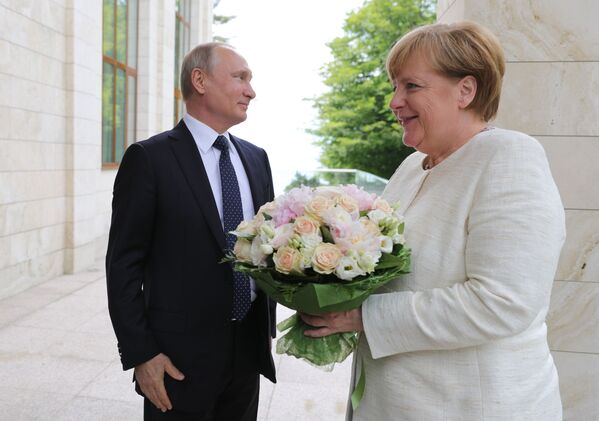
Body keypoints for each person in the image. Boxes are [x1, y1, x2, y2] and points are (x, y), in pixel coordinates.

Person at [301, 21, 565, 420]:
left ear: (466, 90)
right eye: (394, 86)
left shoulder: (510, 157)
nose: (394, 101)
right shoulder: (411, 167)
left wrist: (362, 316)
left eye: (411, 86)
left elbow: (503, 302)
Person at [106, 42, 276, 420]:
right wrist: (141, 353)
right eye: (240, 78)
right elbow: (123, 265)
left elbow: (269, 249)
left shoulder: (256, 158)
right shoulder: (148, 159)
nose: (251, 90)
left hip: (247, 356)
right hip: (176, 363)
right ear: (200, 80)